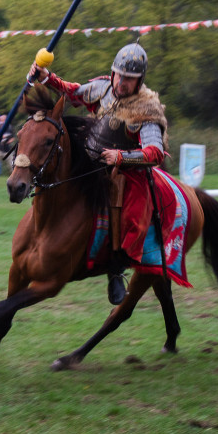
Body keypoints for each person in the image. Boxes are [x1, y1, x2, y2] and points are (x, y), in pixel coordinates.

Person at [29, 42, 167, 305]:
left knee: (124, 206)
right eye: (119, 75)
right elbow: (74, 93)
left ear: (139, 81)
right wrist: (47, 78)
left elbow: (155, 153)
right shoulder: (103, 87)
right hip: (89, 153)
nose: (121, 82)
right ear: (112, 72)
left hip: (123, 169)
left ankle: (115, 267)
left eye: (129, 79)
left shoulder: (147, 108)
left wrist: (122, 157)